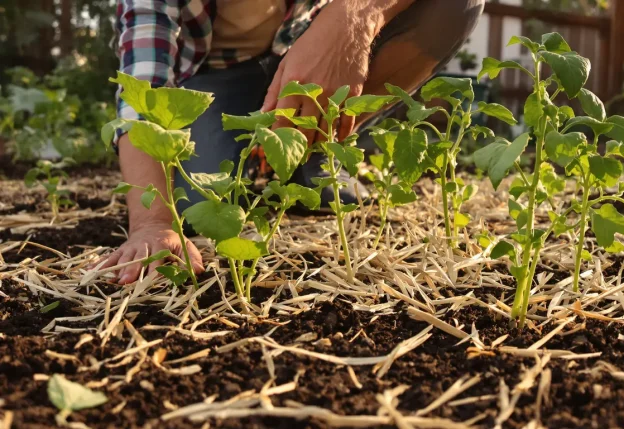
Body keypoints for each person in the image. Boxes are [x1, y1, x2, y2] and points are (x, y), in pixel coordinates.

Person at [101, 0, 484, 284]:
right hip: (212, 77)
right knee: (197, 202)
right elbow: (142, 94)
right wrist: (153, 222)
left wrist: (355, 15)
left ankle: (316, 148)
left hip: (310, 54)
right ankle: (266, 156)